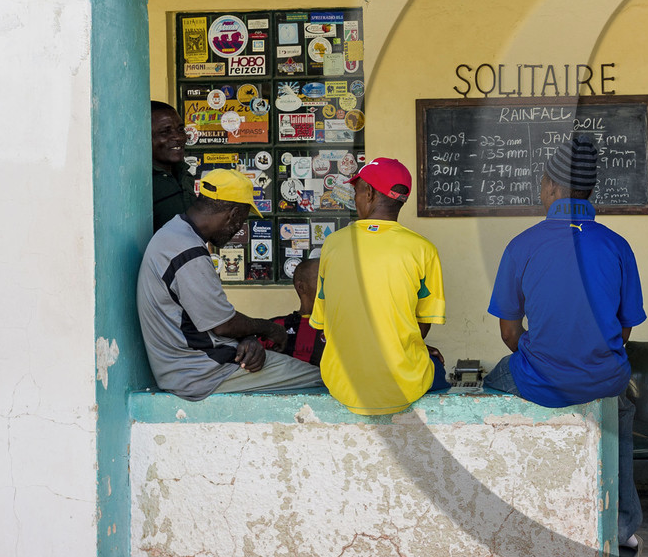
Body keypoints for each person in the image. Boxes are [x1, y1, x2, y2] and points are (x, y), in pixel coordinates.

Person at [486, 134, 647, 557]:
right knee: (620, 411)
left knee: (489, 388)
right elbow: (625, 328)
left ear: (552, 187)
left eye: (542, 184)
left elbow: (508, 333)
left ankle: (516, 514)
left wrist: (544, 354)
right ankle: (622, 532)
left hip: (540, 378)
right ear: (589, 191)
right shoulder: (616, 245)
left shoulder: (522, 244)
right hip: (604, 378)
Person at [138, 169, 322, 398]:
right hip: (200, 372)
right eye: (241, 221)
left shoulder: (174, 233)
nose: (238, 229)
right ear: (233, 214)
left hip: (191, 364)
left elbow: (213, 318)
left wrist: (248, 337)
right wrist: (270, 329)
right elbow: (223, 325)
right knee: (321, 379)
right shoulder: (188, 251)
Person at [310, 157, 447, 416]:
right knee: (438, 368)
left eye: (356, 191)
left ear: (370, 192)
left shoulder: (332, 245)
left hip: (341, 383)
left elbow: (324, 325)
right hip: (404, 386)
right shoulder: (423, 249)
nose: (355, 198)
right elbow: (423, 324)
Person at [272, 257, 327, 366]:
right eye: (321, 280)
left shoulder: (342, 326)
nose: (329, 285)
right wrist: (249, 342)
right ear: (301, 287)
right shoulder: (278, 327)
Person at [151, 100, 193, 232]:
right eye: (165, 132)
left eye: (180, 129)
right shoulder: (142, 184)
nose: (178, 137)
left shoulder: (184, 175)